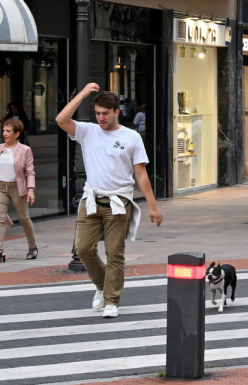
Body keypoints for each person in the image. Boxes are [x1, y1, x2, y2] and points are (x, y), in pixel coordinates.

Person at [55, 84, 163, 318]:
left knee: (115, 253)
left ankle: (112, 300)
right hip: (91, 198)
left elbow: (141, 173)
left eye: (105, 113)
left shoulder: (131, 137)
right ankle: (102, 285)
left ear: (117, 112)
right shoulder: (87, 131)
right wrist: (83, 95)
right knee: (83, 249)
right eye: (97, 113)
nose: (101, 118)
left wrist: (153, 206)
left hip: (119, 201)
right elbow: (61, 119)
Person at [0, 119, 38, 261]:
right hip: (1, 187)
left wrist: (31, 189)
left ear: (17, 134)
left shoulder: (24, 150)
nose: (5, 133)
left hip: (18, 187)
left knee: (23, 218)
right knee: (0, 219)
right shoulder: (0, 148)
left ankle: (32, 246)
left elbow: (30, 171)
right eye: (4, 130)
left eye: (8, 131)